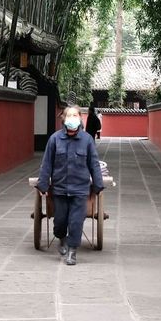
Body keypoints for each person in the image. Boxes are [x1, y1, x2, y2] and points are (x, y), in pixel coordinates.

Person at [36, 105, 104, 266]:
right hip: (59, 189)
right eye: (69, 115)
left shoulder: (87, 140)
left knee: (76, 222)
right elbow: (47, 164)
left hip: (80, 190)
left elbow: (94, 164)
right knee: (59, 221)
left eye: (75, 115)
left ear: (80, 117)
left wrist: (97, 187)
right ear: (63, 119)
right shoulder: (54, 139)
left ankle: (72, 251)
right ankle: (61, 238)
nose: (72, 118)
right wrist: (43, 186)